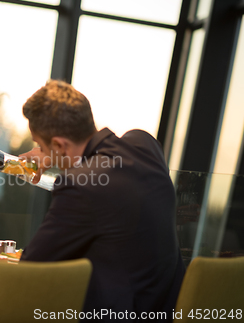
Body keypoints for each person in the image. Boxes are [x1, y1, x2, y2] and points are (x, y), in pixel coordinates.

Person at [20, 80, 185, 322]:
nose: (40, 151)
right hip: (169, 309)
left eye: (41, 145)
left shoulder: (79, 185)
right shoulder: (144, 146)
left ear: (58, 144)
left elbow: (33, 266)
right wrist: (55, 154)